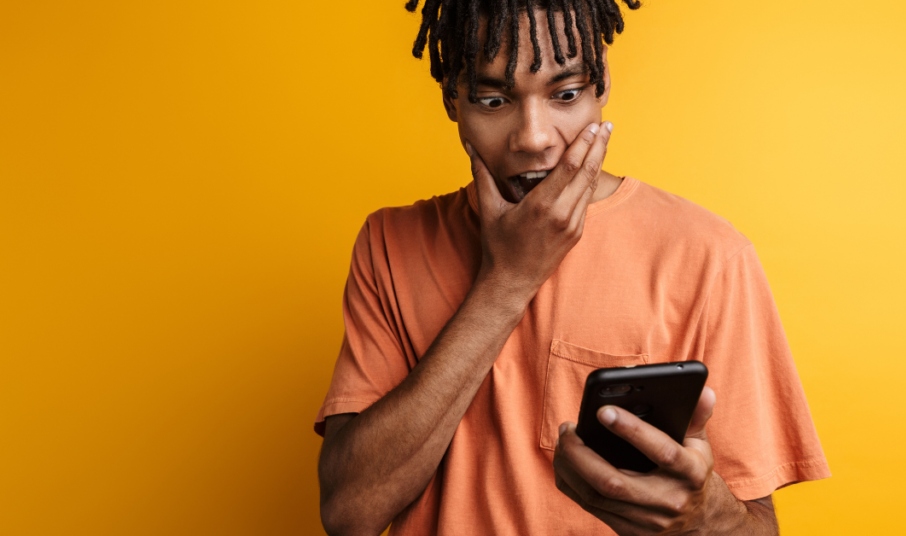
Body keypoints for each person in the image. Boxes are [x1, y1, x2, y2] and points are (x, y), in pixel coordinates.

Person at [315, 1, 830, 534]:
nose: (534, 137)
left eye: (565, 94)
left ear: (601, 83)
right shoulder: (390, 243)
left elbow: (756, 527)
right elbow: (349, 514)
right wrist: (507, 281)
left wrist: (705, 517)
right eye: (493, 100)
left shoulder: (709, 255)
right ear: (452, 99)